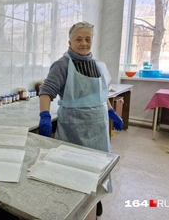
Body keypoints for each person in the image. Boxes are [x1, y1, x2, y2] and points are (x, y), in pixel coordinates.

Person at [38, 21, 123, 217]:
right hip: (73, 126)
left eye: (87, 39)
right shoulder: (62, 65)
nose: (83, 43)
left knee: (98, 166)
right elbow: (46, 92)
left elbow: (101, 96)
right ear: (70, 42)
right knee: (73, 167)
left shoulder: (98, 66)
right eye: (79, 39)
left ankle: (95, 199)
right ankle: (72, 205)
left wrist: (111, 113)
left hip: (98, 127)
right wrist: (44, 116)